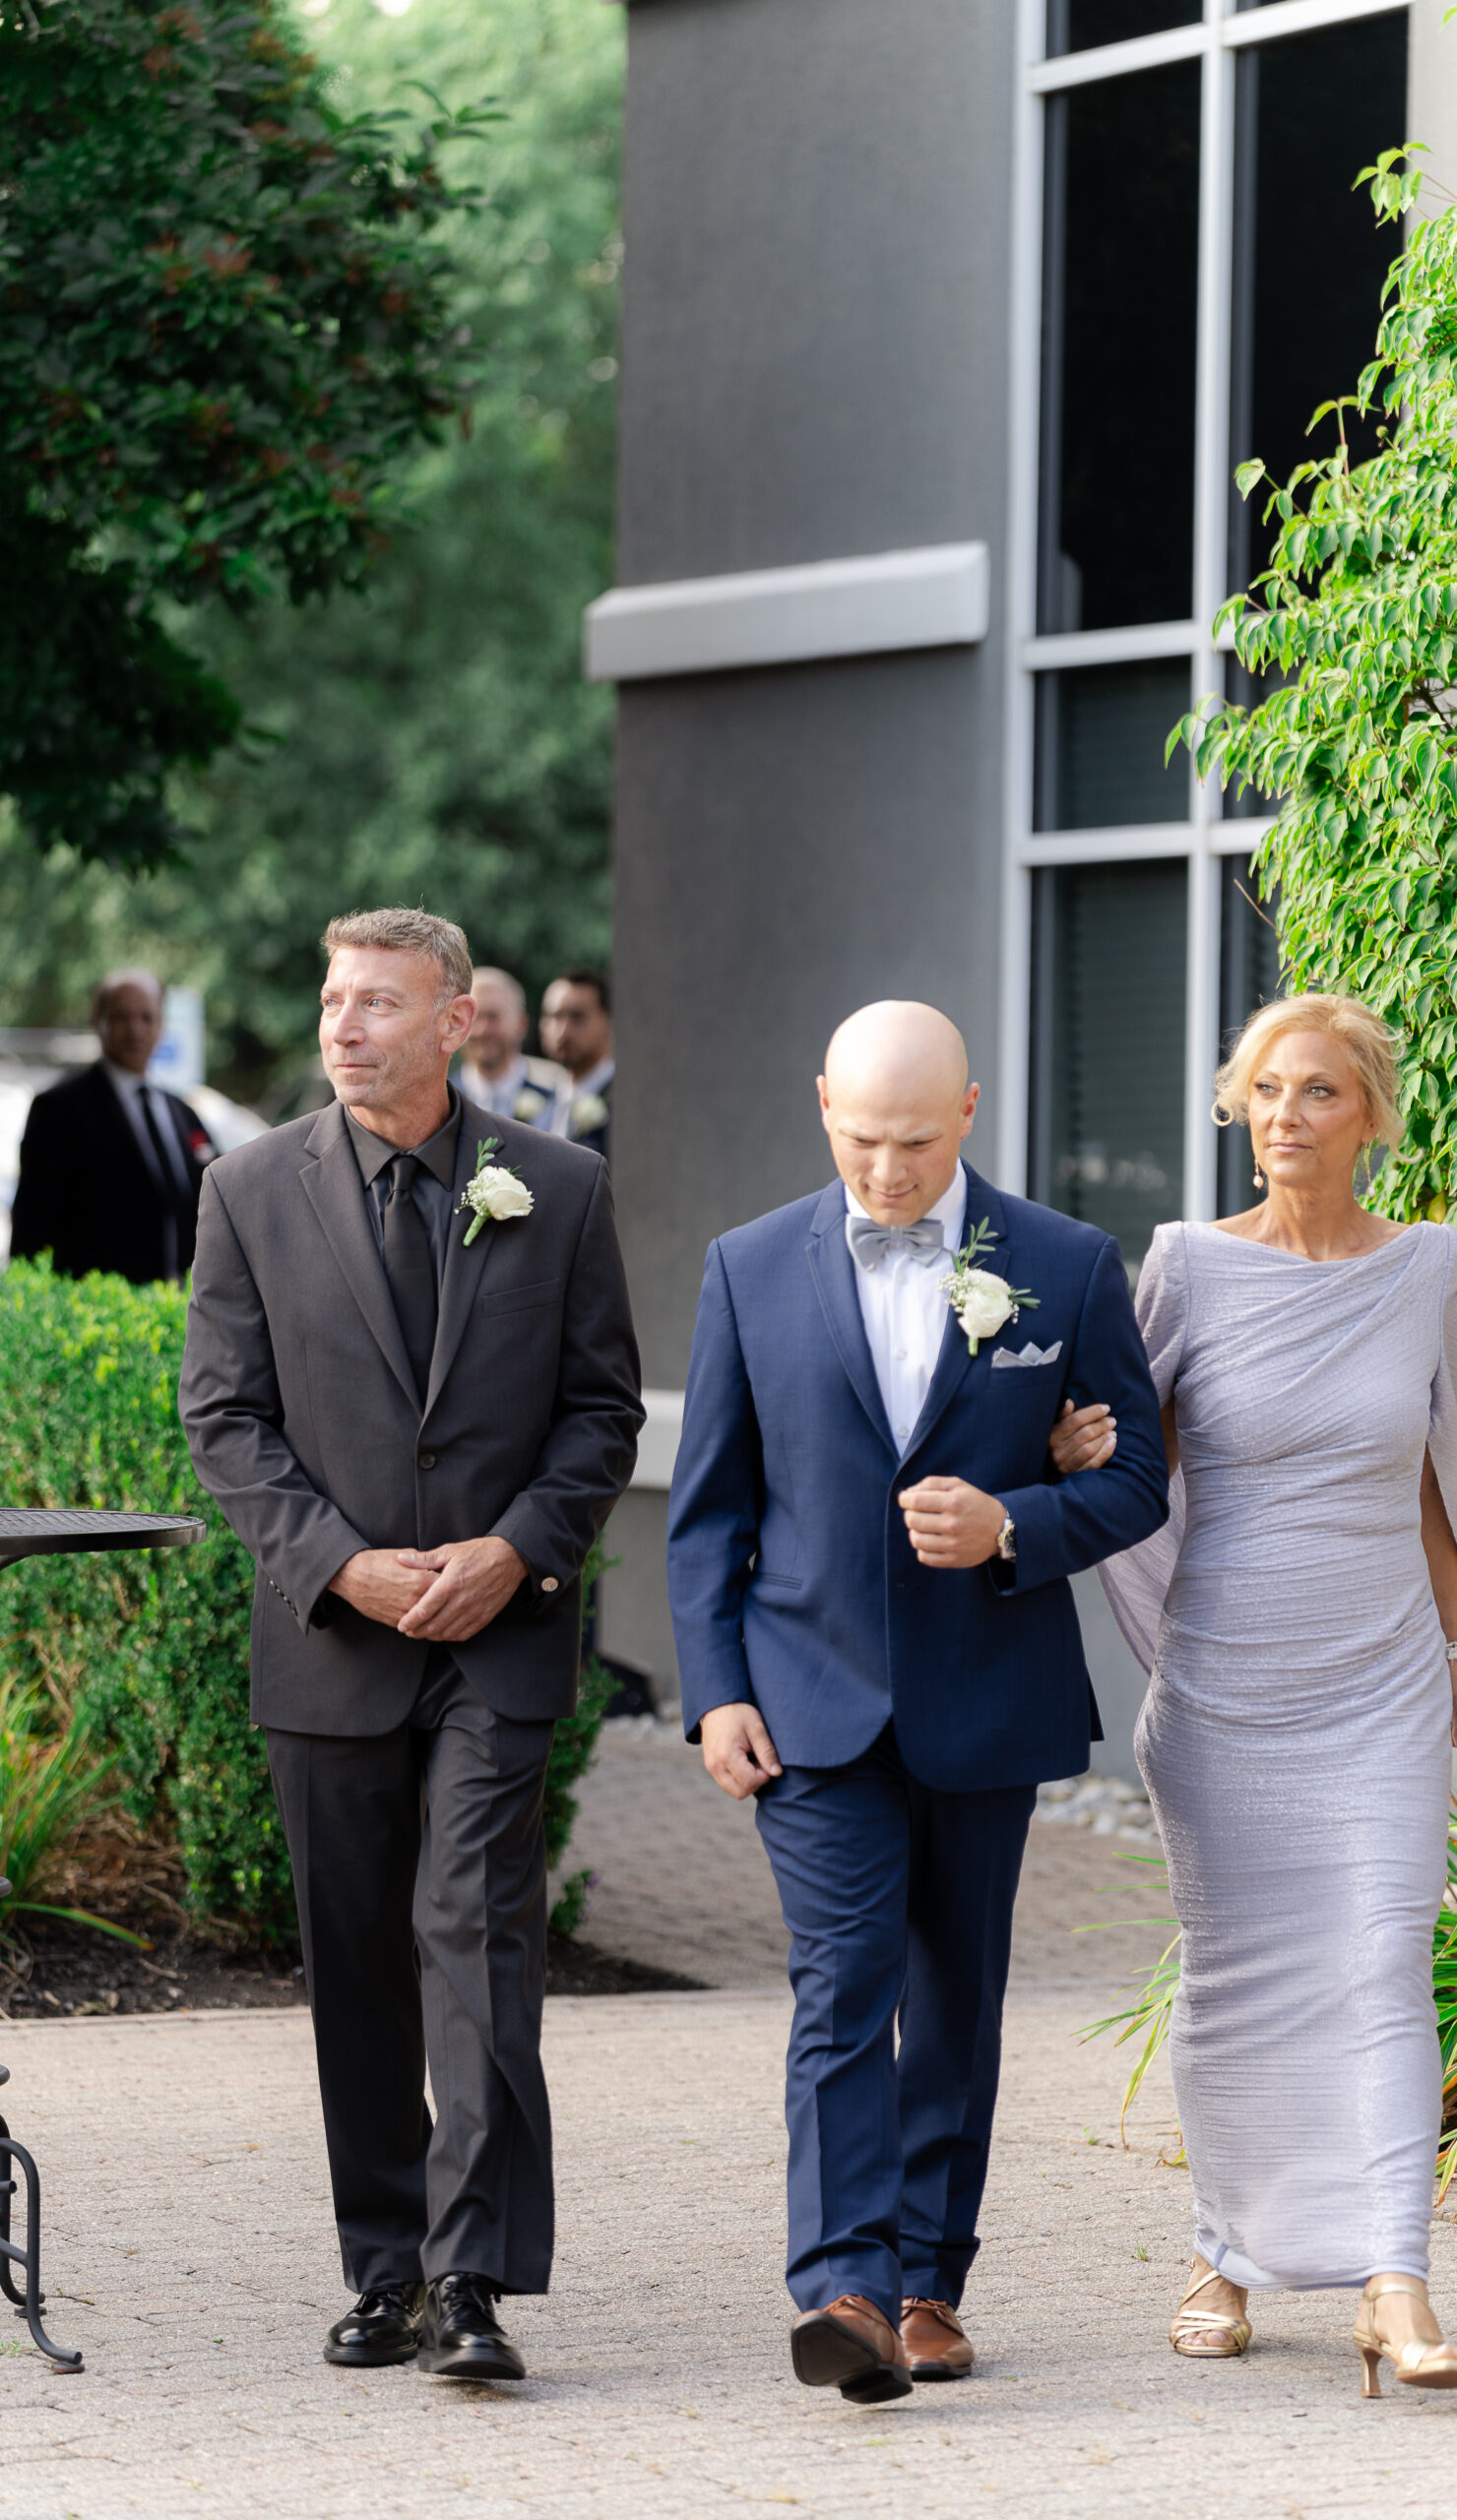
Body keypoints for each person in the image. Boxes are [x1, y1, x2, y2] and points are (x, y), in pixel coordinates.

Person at [666, 1001, 1169, 2404]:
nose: (883, 1171)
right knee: (841, 1984)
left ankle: (932, 2283)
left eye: (910, 1141)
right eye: (858, 1137)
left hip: (983, 1693)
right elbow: (706, 1515)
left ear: (965, 1114)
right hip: (806, 1698)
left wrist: (1010, 1523)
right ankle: (843, 2283)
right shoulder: (746, 1266)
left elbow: (1132, 1482)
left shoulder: (1064, 1267)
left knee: (955, 1995)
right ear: (821, 1102)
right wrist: (713, 1694)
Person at [179, 909, 642, 2383]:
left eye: (377, 1002)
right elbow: (224, 1418)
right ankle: (379, 2267)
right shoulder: (247, 1190)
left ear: (455, 1022)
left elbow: (598, 1413)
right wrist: (342, 1567)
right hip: (332, 1641)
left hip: (498, 1642)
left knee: (476, 1939)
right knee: (359, 1960)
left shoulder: (557, 1187)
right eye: (332, 999)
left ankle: (471, 2280)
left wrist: (514, 1549)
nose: (341, 1026)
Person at [1051, 991, 1457, 2398]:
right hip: (1227, 1680)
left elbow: (1425, 1466)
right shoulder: (1179, 1263)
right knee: (1238, 1985)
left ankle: (1393, 2281)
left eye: (1317, 1093)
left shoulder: (1427, 1266)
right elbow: (1135, 1465)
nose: (1285, 1116)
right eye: (1264, 1091)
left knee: (1379, 1967)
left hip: (1379, 1683)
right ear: (1237, 1111)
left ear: (1367, 1115)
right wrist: (1066, 1454)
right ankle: (1219, 2253)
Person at [11, 969, 213, 1284]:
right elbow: (31, 1224)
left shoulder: (181, 1113)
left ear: (161, 1026)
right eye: (121, 1017)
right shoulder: (58, 1109)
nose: (134, 1029)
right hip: (95, 1312)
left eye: (146, 1017)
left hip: (177, 1311)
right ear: (97, 1021)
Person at [454, 967, 566, 1129]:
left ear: (521, 1023)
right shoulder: (442, 1101)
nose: (483, 1030)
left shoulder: (556, 1097)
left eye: (493, 1017)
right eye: (474, 1018)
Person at [540, 970, 613, 1160]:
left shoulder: (625, 1102)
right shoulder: (541, 1101)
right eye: (555, 1016)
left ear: (608, 1021)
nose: (564, 1030)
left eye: (577, 1016)